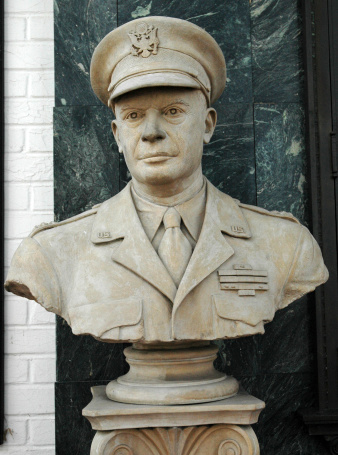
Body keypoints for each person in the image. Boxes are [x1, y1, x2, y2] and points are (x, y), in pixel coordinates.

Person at [5, 16, 328, 345]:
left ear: (207, 125)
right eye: (134, 116)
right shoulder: (50, 254)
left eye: (173, 111)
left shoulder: (287, 247)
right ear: (117, 135)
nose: (151, 133)